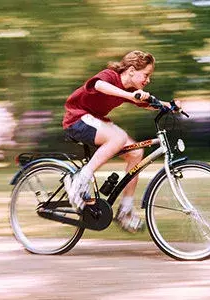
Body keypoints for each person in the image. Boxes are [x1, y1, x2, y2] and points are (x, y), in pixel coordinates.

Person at [62, 50, 176, 233]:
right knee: (119, 137)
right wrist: (130, 96)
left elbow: (148, 103)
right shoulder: (110, 76)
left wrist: (169, 106)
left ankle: (125, 210)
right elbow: (98, 85)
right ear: (131, 70)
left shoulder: (129, 90)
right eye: (146, 75)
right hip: (77, 119)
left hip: (96, 122)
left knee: (136, 152)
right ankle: (79, 180)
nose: (148, 80)